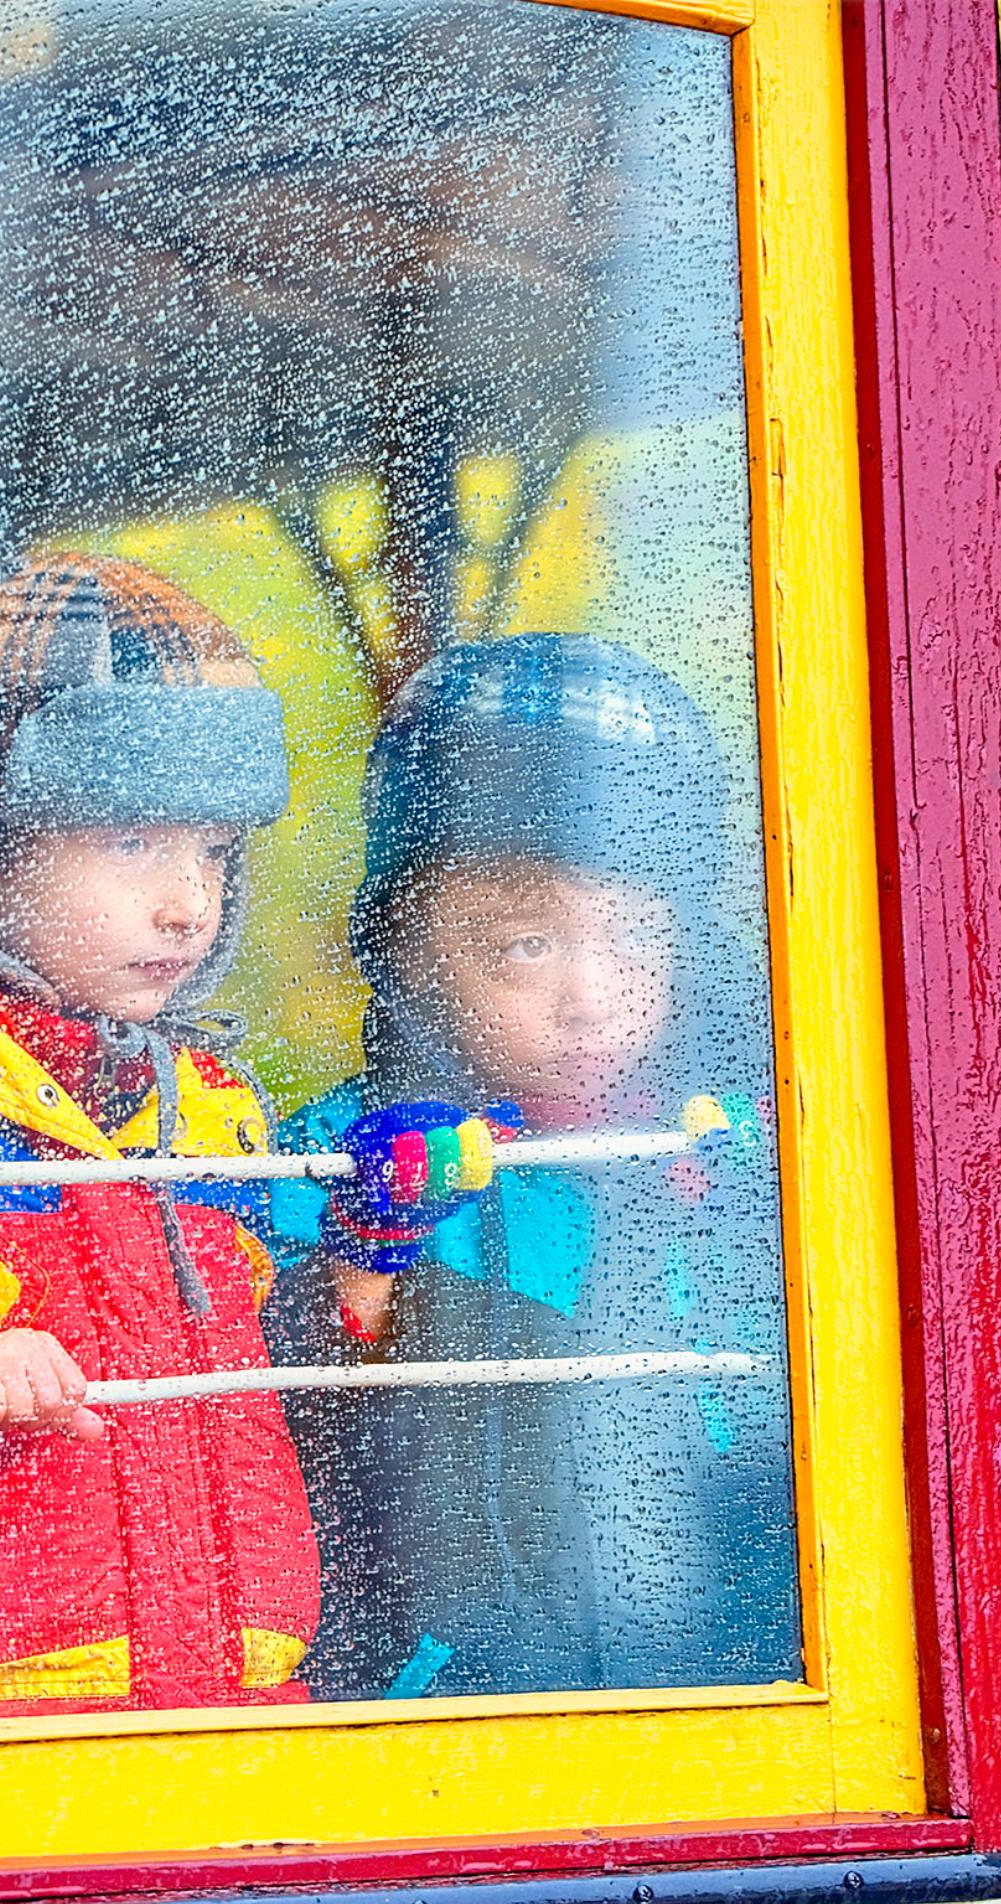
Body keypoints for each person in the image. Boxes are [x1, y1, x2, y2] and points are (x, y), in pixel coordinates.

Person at [0, 557, 497, 1722]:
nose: (187, 902)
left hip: (242, 1695)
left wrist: (366, 1255)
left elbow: (271, 1378)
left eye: (212, 852)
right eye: (129, 844)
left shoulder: (211, 1104)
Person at [266, 632, 802, 1701]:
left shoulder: (761, 1153)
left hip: (768, 1675)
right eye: (525, 947)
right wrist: (370, 1252)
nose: (591, 998)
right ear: (403, 948)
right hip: (467, 1702)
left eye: (635, 940)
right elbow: (305, 1417)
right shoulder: (342, 1167)